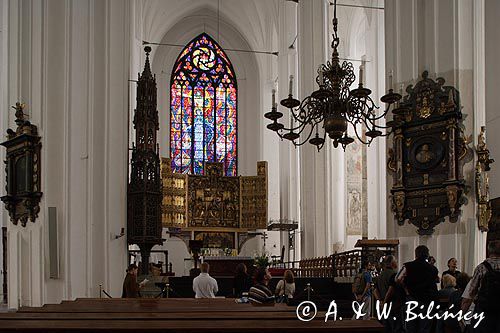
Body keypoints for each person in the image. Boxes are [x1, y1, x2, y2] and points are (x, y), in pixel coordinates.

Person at [396, 245, 438, 333]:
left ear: (416, 254)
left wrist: (406, 288)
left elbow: (398, 279)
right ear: (427, 255)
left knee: (411, 327)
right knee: (425, 327)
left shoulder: (407, 266)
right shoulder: (433, 269)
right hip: (427, 300)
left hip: (411, 298)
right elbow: (436, 281)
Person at [461, 240, 500, 332]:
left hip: (485, 310)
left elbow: (470, 293)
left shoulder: (481, 267)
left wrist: (462, 314)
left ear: (489, 251)